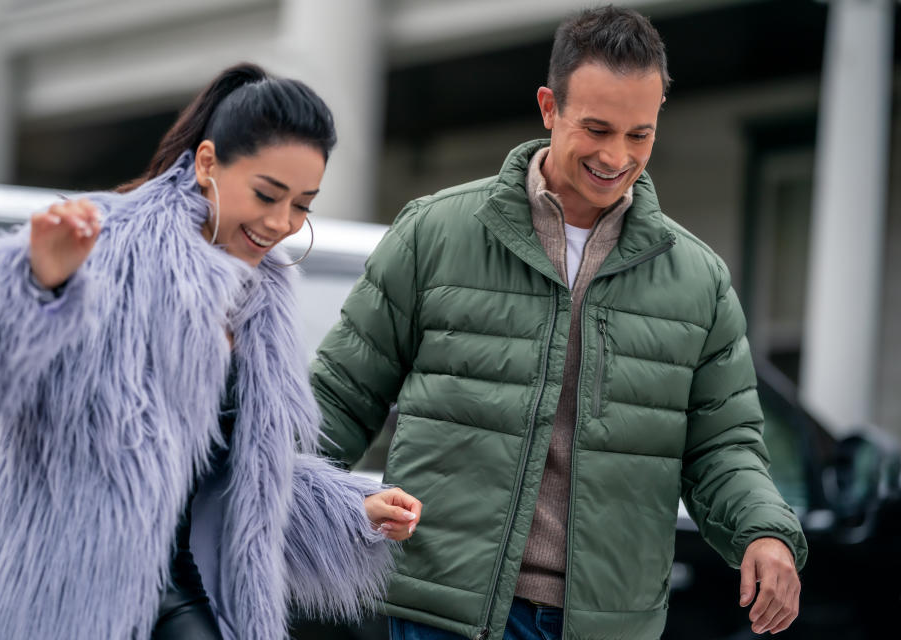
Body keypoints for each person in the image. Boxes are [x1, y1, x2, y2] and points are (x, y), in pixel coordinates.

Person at [311, 6, 806, 640]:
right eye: (596, 128)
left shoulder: (698, 281)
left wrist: (764, 530)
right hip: (448, 615)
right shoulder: (434, 234)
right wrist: (266, 505)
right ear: (549, 107)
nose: (616, 155)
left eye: (639, 134)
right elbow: (338, 399)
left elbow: (723, 447)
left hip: (607, 622)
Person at [0, 63, 422, 640]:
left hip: (187, 590)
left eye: (302, 205)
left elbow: (242, 480)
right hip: (64, 596)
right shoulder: (105, 244)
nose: (280, 223)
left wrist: (351, 513)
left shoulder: (261, 301)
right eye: (267, 194)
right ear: (207, 164)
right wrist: (39, 283)